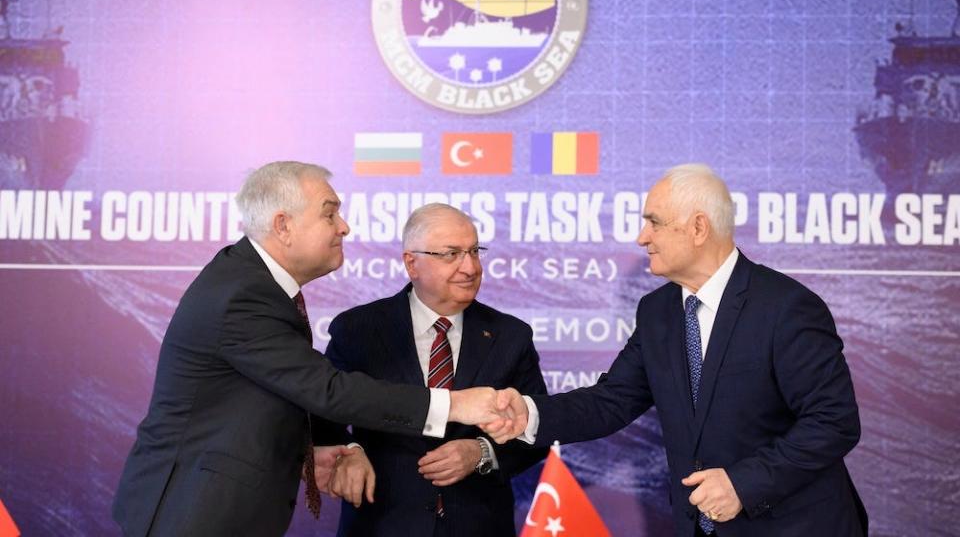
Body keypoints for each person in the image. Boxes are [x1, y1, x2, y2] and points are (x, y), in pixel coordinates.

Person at [112, 162, 518, 537]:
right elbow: (328, 392)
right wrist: (456, 406)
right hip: (194, 512)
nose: (343, 227)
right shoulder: (245, 295)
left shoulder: (252, 282)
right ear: (283, 225)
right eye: (329, 213)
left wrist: (310, 451)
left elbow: (271, 398)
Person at [488, 164, 868, 536]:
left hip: (794, 525)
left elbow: (833, 421)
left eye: (654, 222)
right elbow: (612, 401)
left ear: (698, 227)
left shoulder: (785, 307)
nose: (642, 237)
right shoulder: (657, 312)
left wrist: (742, 483)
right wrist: (530, 414)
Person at [316, 203, 548, 537]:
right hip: (382, 525)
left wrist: (481, 452)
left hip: (477, 525)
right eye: (451, 254)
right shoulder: (359, 330)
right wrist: (348, 453)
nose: (469, 267)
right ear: (412, 263)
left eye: (473, 251)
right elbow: (322, 419)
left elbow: (536, 429)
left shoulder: (511, 336)